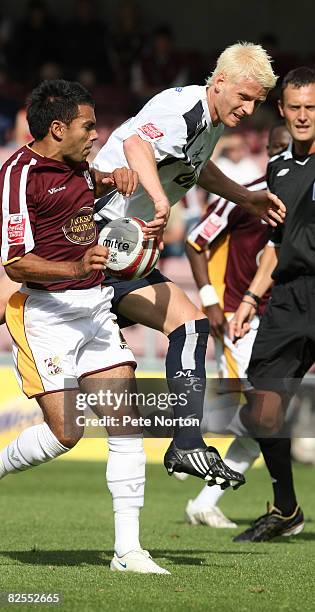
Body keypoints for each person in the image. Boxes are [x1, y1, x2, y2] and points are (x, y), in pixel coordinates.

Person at [0, 79, 173, 575]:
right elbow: (16, 264)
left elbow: (82, 185)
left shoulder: (79, 166)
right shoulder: (18, 174)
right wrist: (76, 268)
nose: (96, 134)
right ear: (57, 128)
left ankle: (129, 552)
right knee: (67, 433)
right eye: (87, 126)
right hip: (48, 317)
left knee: (126, 426)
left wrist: (112, 177)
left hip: (95, 309)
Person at [91, 42, 285, 479]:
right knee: (24, 310)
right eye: (244, 97)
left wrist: (246, 198)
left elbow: (194, 170)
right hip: (97, 231)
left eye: (256, 102)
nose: (250, 109)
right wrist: (161, 203)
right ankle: (186, 442)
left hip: (125, 248)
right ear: (219, 83)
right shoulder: (183, 108)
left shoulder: (211, 122)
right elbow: (137, 144)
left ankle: (186, 443)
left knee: (191, 325)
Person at [182, 123, 291, 529]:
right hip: (236, 315)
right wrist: (210, 300)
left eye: (290, 148)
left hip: (277, 318)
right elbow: (196, 240)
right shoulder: (246, 195)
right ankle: (186, 439)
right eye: (277, 148)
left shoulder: (300, 195)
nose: (283, 155)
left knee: (268, 417)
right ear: (267, 150)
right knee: (260, 410)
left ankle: (203, 500)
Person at [229, 66, 315, 540]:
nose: (303, 117)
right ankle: (285, 510)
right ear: (281, 109)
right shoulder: (278, 168)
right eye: (295, 108)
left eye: (311, 108)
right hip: (286, 296)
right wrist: (250, 297)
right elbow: (277, 245)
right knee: (262, 407)